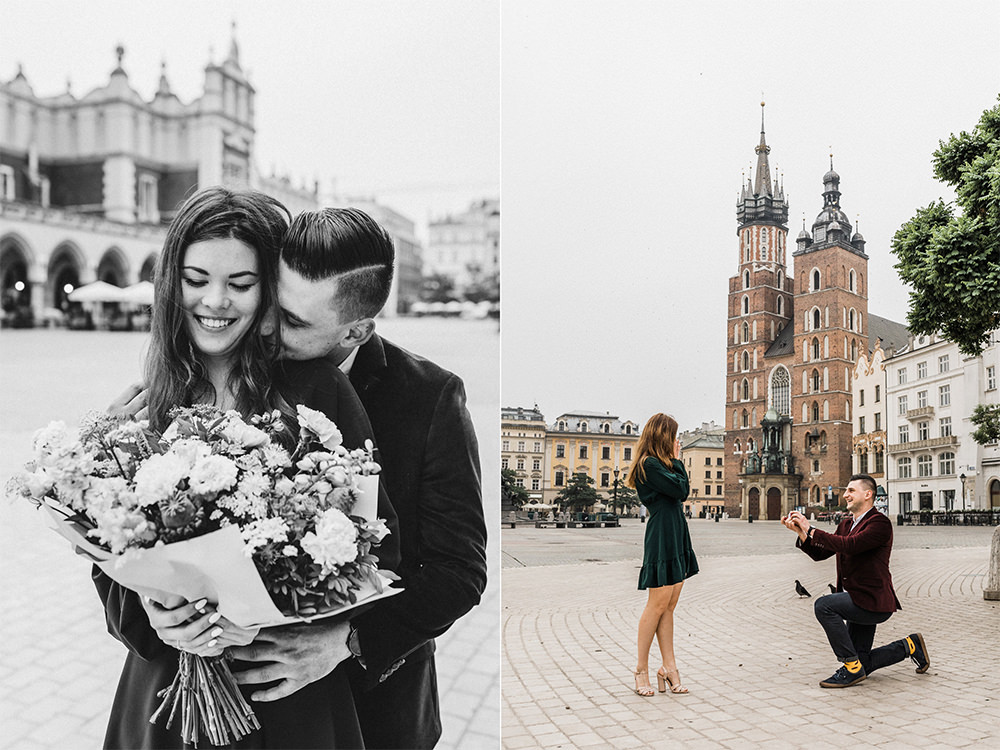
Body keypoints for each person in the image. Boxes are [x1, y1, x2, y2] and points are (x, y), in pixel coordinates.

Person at [98, 186, 400, 748]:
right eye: (195, 280)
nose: (216, 301)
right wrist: (152, 612)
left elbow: (376, 550)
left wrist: (279, 612)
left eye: (240, 284)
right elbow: (106, 558)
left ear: (268, 291)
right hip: (167, 691)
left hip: (281, 697)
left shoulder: (316, 392)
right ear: (171, 284)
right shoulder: (147, 403)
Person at [230, 207, 487, 749]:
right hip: (257, 716)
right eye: (274, 304)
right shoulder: (242, 368)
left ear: (359, 328)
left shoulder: (430, 397)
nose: (271, 327)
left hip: (378, 712)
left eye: (296, 322)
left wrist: (348, 640)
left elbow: (459, 572)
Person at [782, 474, 929, 688]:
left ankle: (850, 667)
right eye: (846, 490)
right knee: (863, 662)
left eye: (851, 490)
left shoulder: (880, 523)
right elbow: (820, 554)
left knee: (823, 606)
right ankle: (910, 646)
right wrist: (802, 533)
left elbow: (850, 545)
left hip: (872, 601)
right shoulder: (846, 525)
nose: (845, 495)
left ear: (868, 494)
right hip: (856, 598)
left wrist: (811, 529)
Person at [625, 413, 698, 697]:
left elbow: (681, 492)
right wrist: (678, 459)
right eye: (674, 436)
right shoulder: (649, 464)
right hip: (661, 535)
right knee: (656, 605)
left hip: (676, 531)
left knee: (669, 605)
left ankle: (668, 668)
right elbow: (681, 490)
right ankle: (641, 669)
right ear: (663, 436)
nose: (677, 442)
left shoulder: (662, 465)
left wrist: (675, 462)